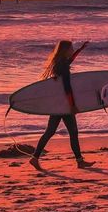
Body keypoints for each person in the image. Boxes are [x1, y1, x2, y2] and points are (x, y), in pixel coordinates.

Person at [30, 40, 95, 171]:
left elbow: (71, 59)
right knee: (73, 132)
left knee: (50, 132)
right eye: (71, 48)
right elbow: (67, 88)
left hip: (57, 103)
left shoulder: (59, 64)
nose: (72, 50)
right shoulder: (63, 66)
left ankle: (35, 158)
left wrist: (80, 49)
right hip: (64, 105)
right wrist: (72, 105)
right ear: (65, 50)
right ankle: (80, 161)